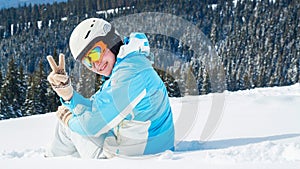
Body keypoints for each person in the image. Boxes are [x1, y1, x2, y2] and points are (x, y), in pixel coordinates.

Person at [45, 18, 175, 159]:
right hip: (142, 148)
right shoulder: (127, 66)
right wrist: (68, 95)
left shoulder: (131, 73)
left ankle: (50, 163)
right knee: (73, 124)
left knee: (67, 127)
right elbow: (95, 108)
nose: (95, 64)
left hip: (138, 158)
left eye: (95, 53)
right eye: (88, 62)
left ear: (111, 41)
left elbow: (92, 124)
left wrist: (69, 120)